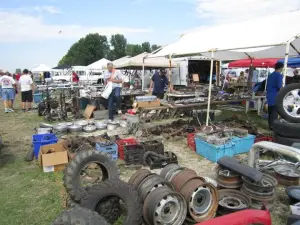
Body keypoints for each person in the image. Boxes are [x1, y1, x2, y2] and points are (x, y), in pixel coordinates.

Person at [266, 62, 284, 130]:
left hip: (269, 94)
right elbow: (279, 86)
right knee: (274, 111)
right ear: (281, 68)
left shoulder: (271, 75)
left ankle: (270, 124)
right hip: (275, 95)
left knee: (270, 111)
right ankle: (273, 126)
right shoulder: (278, 75)